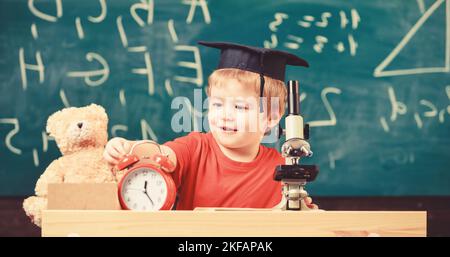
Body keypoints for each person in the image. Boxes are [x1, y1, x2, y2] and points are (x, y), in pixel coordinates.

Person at [103, 41, 318, 210]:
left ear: (271, 117)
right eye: (217, 104)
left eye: (240, 107)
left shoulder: (284, 169)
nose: (225, 115)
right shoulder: (195, 148)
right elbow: (161, 154)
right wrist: (132, 147)